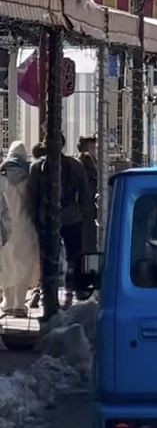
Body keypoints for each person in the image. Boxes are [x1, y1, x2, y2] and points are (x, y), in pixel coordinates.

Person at [28, 136, 91, 303]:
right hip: (70, 217)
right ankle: (69, 291)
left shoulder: (38, 167)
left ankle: (48, 292)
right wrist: (80, 211)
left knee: (49, 257)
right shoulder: (74, 166)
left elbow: (33, 197)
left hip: (49, 218)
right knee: (72, 255)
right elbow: (85, 193)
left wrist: (35, 217)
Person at [0, 142, 40, 317]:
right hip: (26, 228)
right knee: (24, 266)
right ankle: (19, 304)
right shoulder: (30, 179)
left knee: (7, 265)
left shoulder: (2, 178)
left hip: (5, 229)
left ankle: (8, 303)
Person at [77, 136, 99, 270]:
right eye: (93, 148)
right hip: (87, 211)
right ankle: (90, 272)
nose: (95, 151)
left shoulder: (76, 164)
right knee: (89, 244)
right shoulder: (86, 166)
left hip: (82, 212)